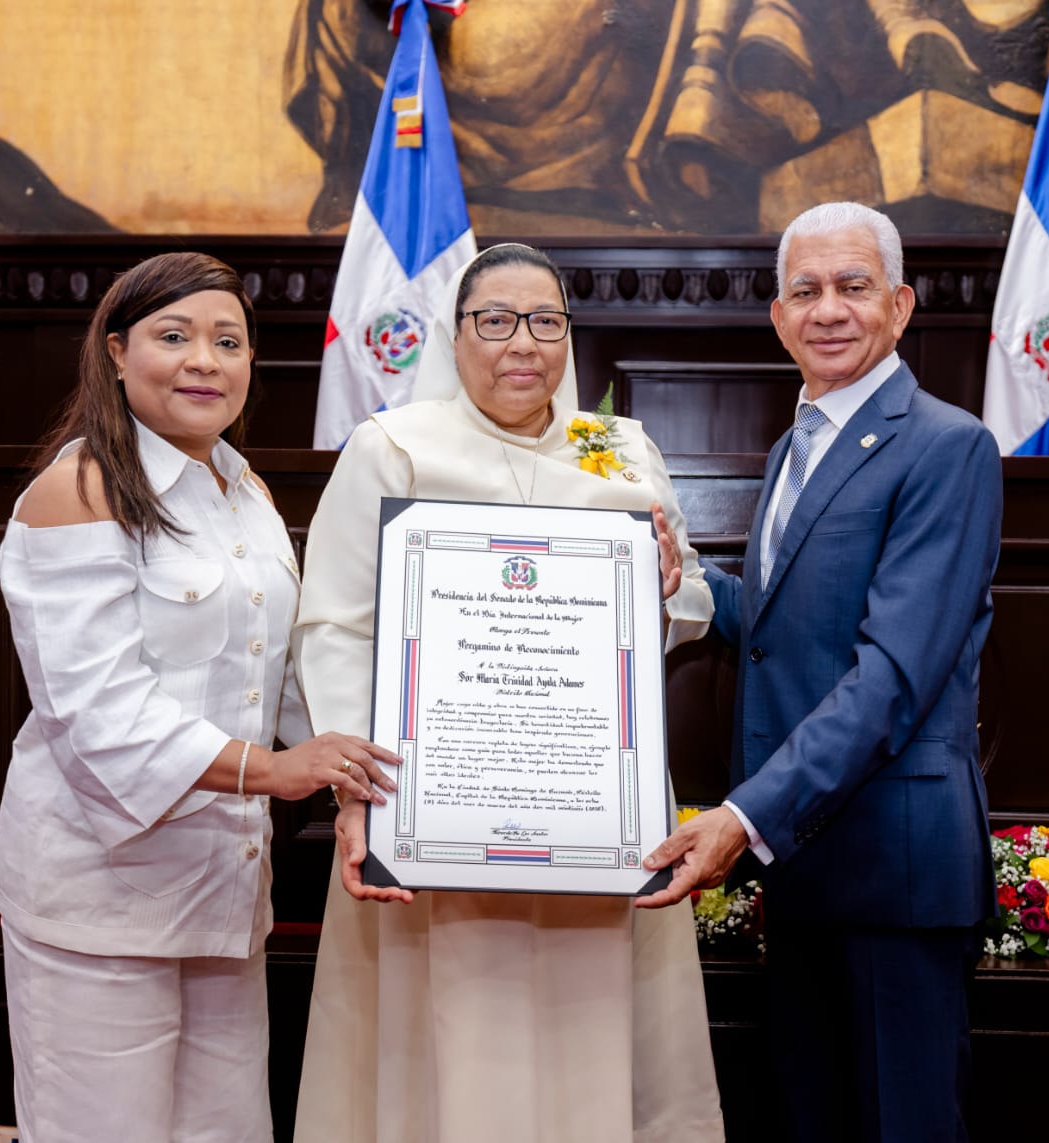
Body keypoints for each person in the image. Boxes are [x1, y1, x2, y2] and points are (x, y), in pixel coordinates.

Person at [292, 243, 725, 1143]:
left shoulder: (615, 448)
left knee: (596, 1043)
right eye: (494, 320)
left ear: (568, 336)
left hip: (589, 807)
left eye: (546, 321)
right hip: (433, 809)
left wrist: (670, 582)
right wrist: (357, 791)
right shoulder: (395, 445)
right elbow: (335, 626)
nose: (520, 342)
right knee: (450, 1045)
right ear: (455, 337)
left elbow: (688, 609)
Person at [0, 251, 399, 1143]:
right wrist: (278, 770)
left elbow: (281, 672)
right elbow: (100, 713)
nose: (204, 361)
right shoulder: (79, 489)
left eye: (228, 340)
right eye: (173, 337)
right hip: (101, 896)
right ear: (114, 352)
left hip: (222, 890)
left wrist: (373, 779)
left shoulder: (241, 488)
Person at [637, 202, 1002, 1141]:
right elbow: (781, 625)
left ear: (901, 305)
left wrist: (745, 815)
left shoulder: (946, 444)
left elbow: (891, 673)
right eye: (805, 290)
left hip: (893, 868)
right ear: (777, 315)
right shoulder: (795, 442)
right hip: (801, 865)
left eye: (853, 287)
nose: (828, 309)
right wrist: (690, 581)